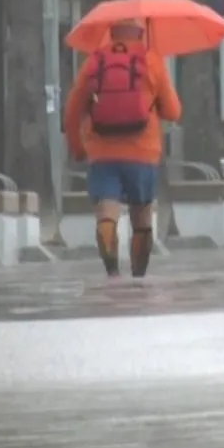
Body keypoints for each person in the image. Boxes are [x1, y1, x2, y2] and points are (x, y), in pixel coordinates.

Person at [63, 19, 182, 277]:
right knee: (141, 215)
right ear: (140, 33)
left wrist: (78, 148)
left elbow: (73, 110)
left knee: (107, 212)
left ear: (112, 33)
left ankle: (112, 271)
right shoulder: (151, 61)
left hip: (103, 153)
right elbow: (173, 111)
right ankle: (138, 274)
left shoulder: (94, 63)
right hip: (143, 153)